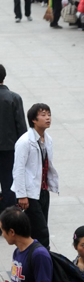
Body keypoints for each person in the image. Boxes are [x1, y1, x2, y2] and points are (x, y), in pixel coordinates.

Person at [11, 103, 58, 249]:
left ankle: (34, 259)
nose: (48, 118)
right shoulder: (24, 142)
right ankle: (45, 261)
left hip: (43, 191)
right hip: (30, 194)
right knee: (42, 232)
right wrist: (21, 195)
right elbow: (18, 169)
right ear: (34, 120)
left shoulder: (47, 139)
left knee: (36, 230)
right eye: (43, 115)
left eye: (49, 114)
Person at [0, 64, 27, 209]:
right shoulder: (14, 98)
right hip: (10, 149)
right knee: (9, 183)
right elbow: (21, 126)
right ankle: (7, 218)